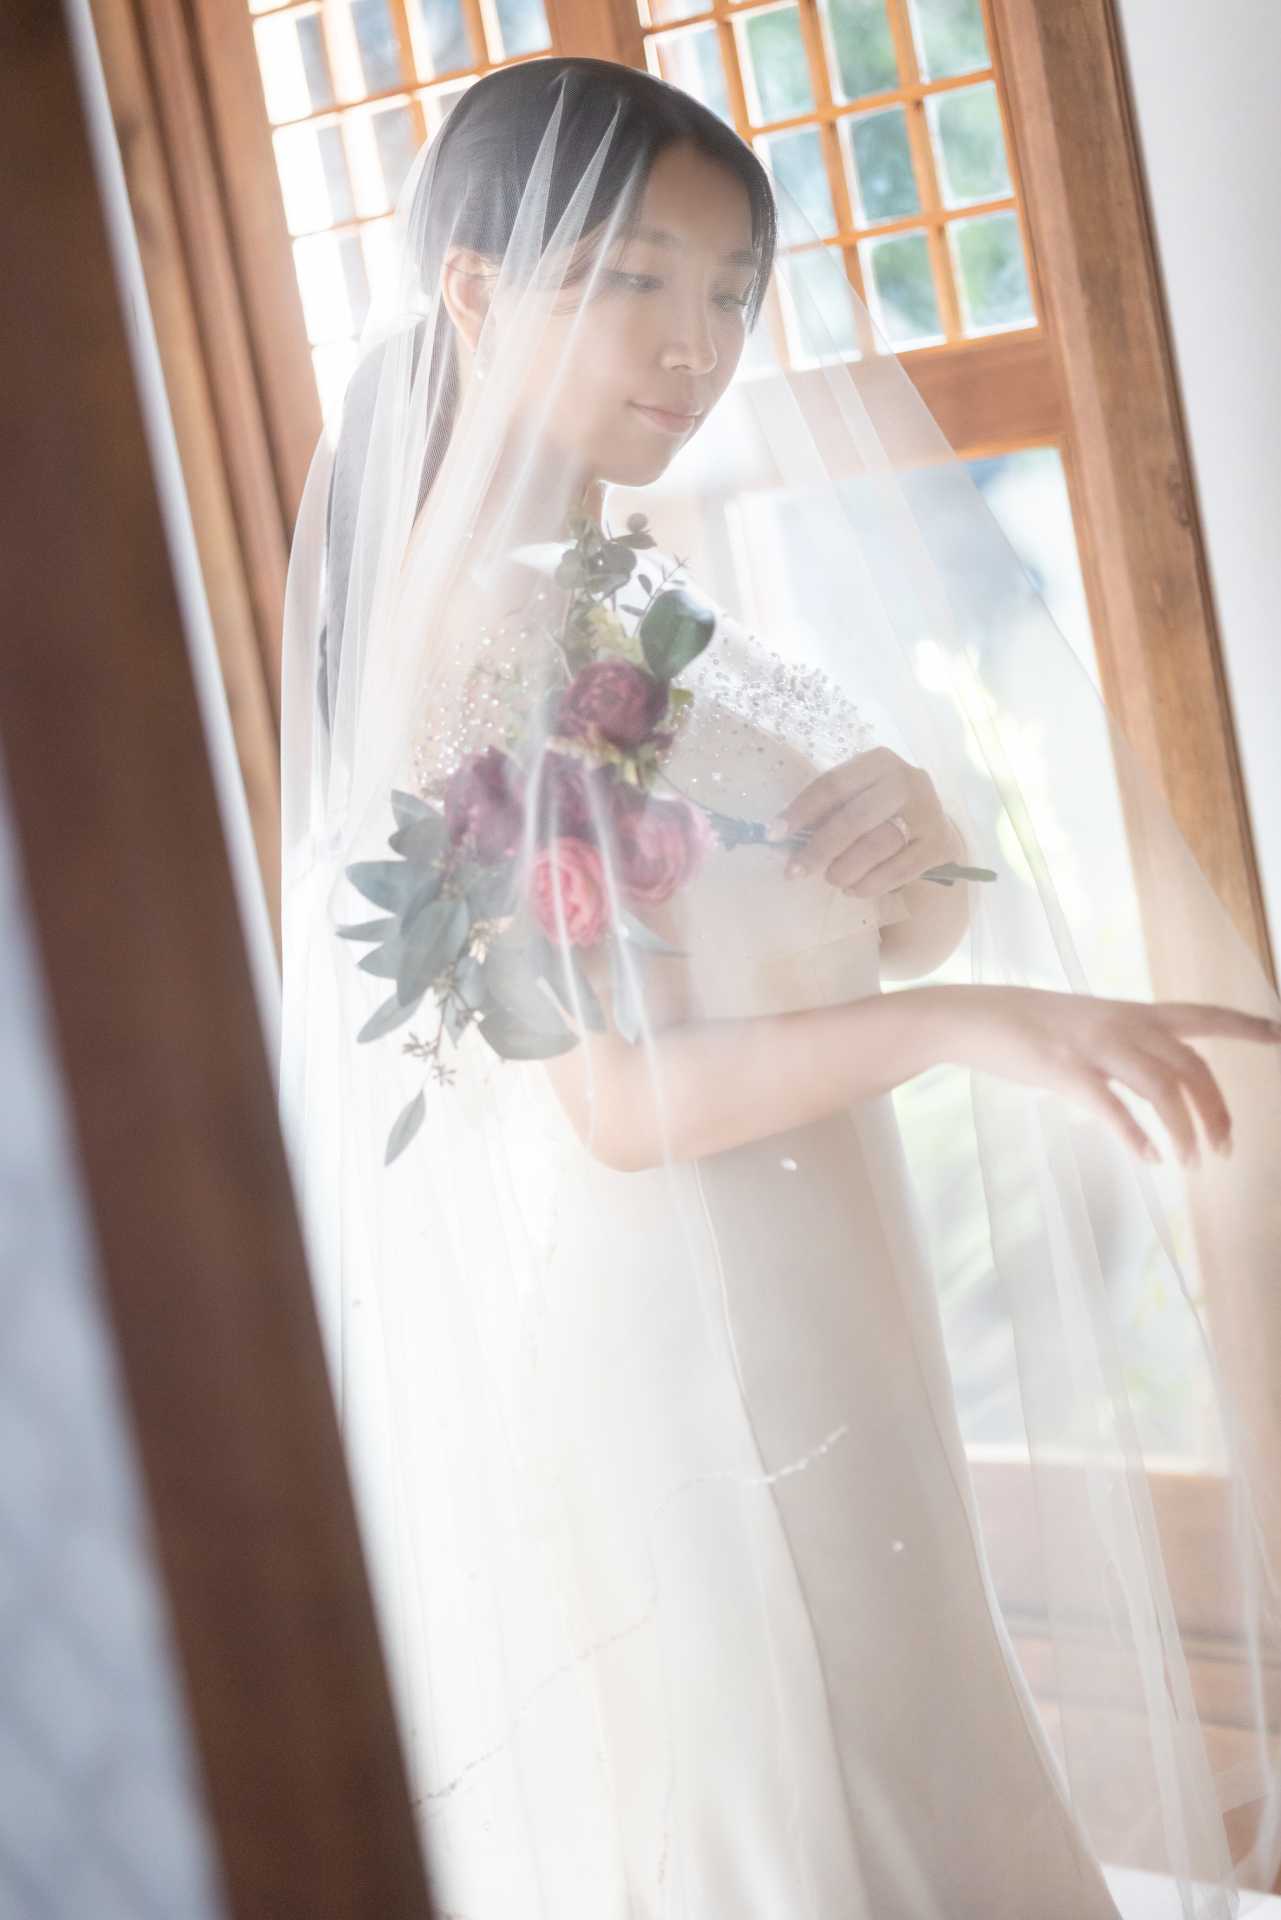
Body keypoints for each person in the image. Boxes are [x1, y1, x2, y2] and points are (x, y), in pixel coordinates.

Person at [279, 56, 1281, 1917]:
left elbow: (852, 925)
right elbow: (613, 1102)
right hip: (688, 1322)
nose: (698, 344)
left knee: (902, 1737)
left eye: (733, 291)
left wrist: (912, 836)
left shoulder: (629, 599)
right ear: (477, 289)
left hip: (819, 1275)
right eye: (634, 280)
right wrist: (988, 1029)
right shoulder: (481, 628)